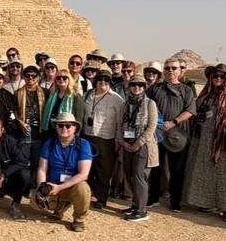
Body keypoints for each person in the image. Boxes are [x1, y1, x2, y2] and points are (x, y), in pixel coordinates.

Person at [184, 64, 226, 222]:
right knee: (204, 171)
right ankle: (205, 203)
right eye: (215, 76)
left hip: (223, 141)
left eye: (221, 76)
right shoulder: (205, 94)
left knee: (224, 174)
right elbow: (195, 112)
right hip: (202, 139)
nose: (218, 79)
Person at [147, 58, 197, 212]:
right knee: (155, 166)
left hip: (178, 135)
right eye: (167, 68)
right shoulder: (155, 89)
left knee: (177, 169)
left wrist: (174, 122)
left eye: (174, 68)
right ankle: (153, 197)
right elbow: (147, 105)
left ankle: (176, 202)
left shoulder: (186, 90)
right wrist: (158, 123)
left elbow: (190, 110)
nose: (170, 71)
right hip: (157, 133)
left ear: (180, 71)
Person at [36, 113, 93, 232]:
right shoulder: (50, 143)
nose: (64, 128)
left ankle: (78, 219)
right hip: (54, 184)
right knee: (34, 200)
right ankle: (59, 208)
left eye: (68, 126)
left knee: (83, 188)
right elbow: (42, 169)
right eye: (61, 125)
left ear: (75, 128)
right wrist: (42, 187)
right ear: (56, 127)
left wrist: (60, 187)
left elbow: (84, 174)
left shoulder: (83, 145)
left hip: (72, 186)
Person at [116, 75, 159, 222]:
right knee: (129, 175)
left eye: (140, 85)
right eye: (134, 85)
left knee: (139, 177)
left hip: (143, 146)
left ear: (144, 87)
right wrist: (122, 142)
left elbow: (151, 126)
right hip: (127, 144)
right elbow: (120, 124)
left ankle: (141, 210)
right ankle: (135, 205)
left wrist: (138, 143)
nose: (137, 88)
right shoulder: (125, 104)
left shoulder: (150, 103)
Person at [83, 70, 123, 209]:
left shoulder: (116, 99)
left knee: (104, 171)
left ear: (110, 82)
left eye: (106, 80)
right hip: (88, 136)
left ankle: (101, 199)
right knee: (88, 168)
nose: (103, 82)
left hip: (106, 139)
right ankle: (86, 195)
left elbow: (120, 122)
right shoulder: (88, 95)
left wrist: (118, 140)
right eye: (100, 79)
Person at [14, 65, 47, 182]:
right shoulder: (18, 93)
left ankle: (34, 185)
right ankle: (24, 186)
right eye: (28, 76)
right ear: (23, 77)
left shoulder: (45, 92)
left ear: (38, 77)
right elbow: (14, 112)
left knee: (37, 162)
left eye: (34, 76)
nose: (30, 78)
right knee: (23, 161)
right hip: (24, 132)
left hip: (39, 132)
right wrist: (20, 122)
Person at [41, 70, 85, 140]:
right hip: (51, 129)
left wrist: (76, 135)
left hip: (66, 130)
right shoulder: (51, 94)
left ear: (69, 79)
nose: (61, 79)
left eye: (64, 77)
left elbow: (79, 118)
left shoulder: (76, 96)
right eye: (58, 78)